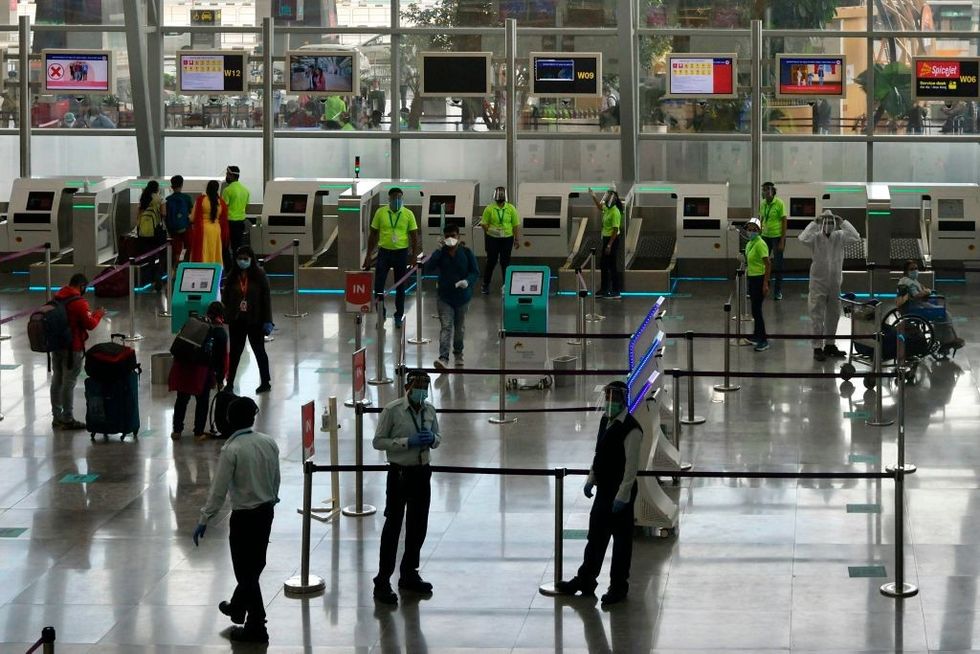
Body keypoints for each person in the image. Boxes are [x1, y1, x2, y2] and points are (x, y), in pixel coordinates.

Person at [193, 395, 280, 644]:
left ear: (229, 420)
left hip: (244, 517)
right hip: (266, 512)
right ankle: (238, 607)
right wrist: (271, 499)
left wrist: (205, 518)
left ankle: (257, 626)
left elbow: (218, 490)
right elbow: (276, 477)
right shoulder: (268, 442)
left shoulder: (232, 449)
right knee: (255, 565)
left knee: (245, 571)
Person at [555, 381, 641, 606]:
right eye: (607, 397)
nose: (609, 402)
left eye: (613, 397)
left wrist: (622, 496)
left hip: (620, 493)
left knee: (621, 543)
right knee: (595, 537)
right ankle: (586, 579)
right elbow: (599, 454)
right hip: (604, 490)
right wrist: (591, 480)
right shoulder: (605, 421)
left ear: (622, 400)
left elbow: (631, 468)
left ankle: (618, 586)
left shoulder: (632, 429)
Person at [372, 369, 441, 606]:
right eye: (417, 387)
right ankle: (382, 580)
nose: (421, 391)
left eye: (424, 387)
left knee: (418, 524)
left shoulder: (429, 410)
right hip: (400, 474)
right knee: (393, 526)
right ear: (407, 388)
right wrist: (406, 442)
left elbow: (438, 437)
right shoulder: (393, 411)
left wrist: (432, 439)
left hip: (422, 472)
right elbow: (378, 441)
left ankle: (409, 572)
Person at [799, 209, 861, 361]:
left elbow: (856, 237)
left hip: (835, 283)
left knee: (833, 314)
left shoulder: (839, 236)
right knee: (817, 315)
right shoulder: (815, 237)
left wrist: (843, 222)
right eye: (825, 222)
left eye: (831, 222)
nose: (828, 224)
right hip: (818, 283)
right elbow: (802, 238)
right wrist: (815, 223)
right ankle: (817, 347)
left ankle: (830, 344)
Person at [49, 274, 106, 430]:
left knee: (57, 380)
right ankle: (68, 419)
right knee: (69, 382)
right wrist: (98, 314)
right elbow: (90, 324)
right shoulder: (79, 302)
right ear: (81, 286)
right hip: (73, 348)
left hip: (57, 346)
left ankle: (56, 416)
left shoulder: (58, 296)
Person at [169, 301, 228, 442]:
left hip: (183, 366)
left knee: (181, 399)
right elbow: (220, 359)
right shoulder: (219, 331)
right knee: (202, 401)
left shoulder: (194, 322)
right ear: (221, 315)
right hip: (201, 371)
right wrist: (220, 379)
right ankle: (198, 433)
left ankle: (176, 431)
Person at [362, 187, 421, 328]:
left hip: (401, 253)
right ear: (389, 199)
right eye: (394, 197)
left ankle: (398, 316)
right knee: (379, 286)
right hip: (384, 253)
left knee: (400, 286)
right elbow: (373, 234)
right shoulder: (381, 212)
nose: (397, 200)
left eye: (399, 197)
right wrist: (368, 255)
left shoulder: (408, 214)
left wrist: (414, 255)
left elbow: (414, 236)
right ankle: (381, 314)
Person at [424, 224, 480, 369]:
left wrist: (467, 281)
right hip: (445, 297)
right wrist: (437, 251)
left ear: (458, 236)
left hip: (462, 297)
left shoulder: (466, 252)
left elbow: (475, 272)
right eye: (447, 236)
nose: (450, 238)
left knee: (459, 328)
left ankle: (458, 352)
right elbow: (428, 268)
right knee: (446, 326)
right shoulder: (441, 253)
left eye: (453, 236)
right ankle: (443, 357)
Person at [222, 246, 274, 394]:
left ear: (251, 259)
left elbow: (266, 300)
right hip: (237, 320)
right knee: (235, 353)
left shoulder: (259, 275)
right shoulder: (232, 276)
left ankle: (265, 382)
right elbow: (226, 298)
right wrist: (227, 315)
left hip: (255, 320)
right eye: (240, 259)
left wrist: (268, 320)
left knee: (259, 351)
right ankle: (230, 383)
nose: (242, 261)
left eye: (246, 259)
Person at [896, 260, 965, 352]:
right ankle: (945, 340)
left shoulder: (907, 281)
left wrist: (926, 291)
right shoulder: (909, 282)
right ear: (906, 271)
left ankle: (947, 339)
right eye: (912, 269)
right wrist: (926, 292)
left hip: (915, 306)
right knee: (945, 314)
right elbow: (916, 295)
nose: (915, 271)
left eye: (916, 268)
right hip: (916, 308)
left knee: (943, 314)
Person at [479, 186, 521, 295]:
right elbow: (484, 223)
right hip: (492, 238)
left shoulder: (511, 208)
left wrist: (516, 239)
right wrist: (490, 230)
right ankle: (485, 284)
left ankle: (506, 285)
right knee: (491, 261)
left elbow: (515, 225)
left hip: (507, 238)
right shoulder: (489, 209)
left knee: (505, 262)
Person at [741, 217, 771, 352]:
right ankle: (756, 335)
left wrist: (765, 283)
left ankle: (763, 340)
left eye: (754, 229)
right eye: (749, 229)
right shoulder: (750, 243)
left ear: (759, 231)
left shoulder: (760, 244)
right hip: (752, 278)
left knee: (757, 310)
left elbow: (768, 264)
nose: (751, 231)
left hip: (759, 279)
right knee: (754, 309)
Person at [589, 187, 624, 299]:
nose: (605, 199)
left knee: (612, 265)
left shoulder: (615, 212)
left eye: (608, 197)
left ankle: (616, 291)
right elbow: (600, 207)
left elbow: (615, 230)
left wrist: (609, 245)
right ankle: (604, 289)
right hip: (606, 239)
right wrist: (593, 196)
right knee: (604, 265)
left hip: (612, 240)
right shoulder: (608, 208)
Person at [135, 180, 167, 292]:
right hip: (156, 231)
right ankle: (159, 275)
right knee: (162, 254)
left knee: (150, 257)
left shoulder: (143, 198)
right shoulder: (160, 199)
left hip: (143, 232)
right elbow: (164, 213)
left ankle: (151, 278)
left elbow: (138, 216)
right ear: (157, 189)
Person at [190, 180, 230, 265]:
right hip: (216, 230)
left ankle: (204, 269)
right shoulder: (221, 202)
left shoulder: (201, 200)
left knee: (204, 251)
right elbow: (224, 219)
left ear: (207, 188)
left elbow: (192, 218)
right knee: (215, 251)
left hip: (203, 230)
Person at [760, 181, 786, 300]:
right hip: (765, 236)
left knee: (778, 264)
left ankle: (777, 291)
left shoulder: (779, 203)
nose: (765, 192)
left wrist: (782, 240)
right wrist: (759, 235)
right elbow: (762, 219)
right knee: (763, 262)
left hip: (777, 237)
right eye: (763, 189)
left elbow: (784, 221)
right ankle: (763, 287)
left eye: (767, 189)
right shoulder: (763, 204)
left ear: (772, 191)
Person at [165, 175, 194, 270]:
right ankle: (186, 267)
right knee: (188, 247)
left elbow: (165, 216)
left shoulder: (168, 199)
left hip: (174, 230)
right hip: (186, 227)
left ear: (171, 186)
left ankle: (178, 267)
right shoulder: (186, 198)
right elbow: (192, 213)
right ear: (182, 185)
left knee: (177, 250)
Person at [221, 165, 250, 253]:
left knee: (225, 246)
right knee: (238, 247)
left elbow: (223, 208)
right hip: (241, 223)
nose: (226, 176)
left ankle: (228, 262)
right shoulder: (245, 190)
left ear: (232, 176)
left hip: (229, 223)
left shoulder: (227, 190)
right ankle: (237, 261)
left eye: (227, 174)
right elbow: (247, 207)